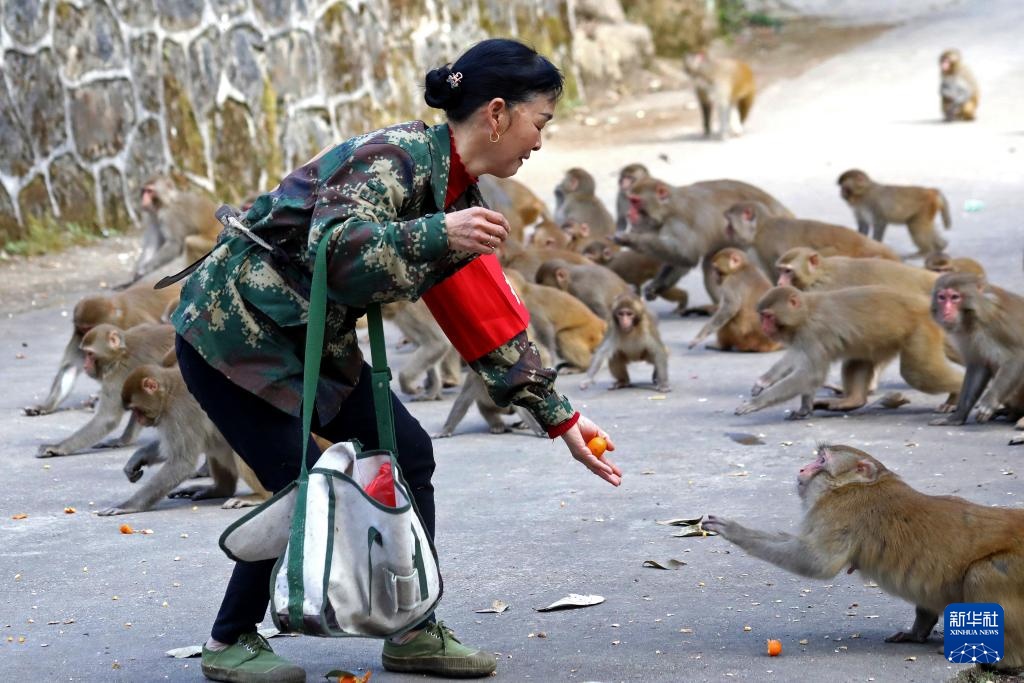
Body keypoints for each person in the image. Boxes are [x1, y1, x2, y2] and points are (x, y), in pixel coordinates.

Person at [171, 38, 622, 683]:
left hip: (311, 349)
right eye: (539, 122)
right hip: (230, 340)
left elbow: (489, 321)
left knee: (409, 454)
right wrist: (439, 235)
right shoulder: (398, 157)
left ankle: (415, 628)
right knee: (305, 484)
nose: (539, 141)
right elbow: (333, 242)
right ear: (497, 114)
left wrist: (560, 419)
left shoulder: (458, 194)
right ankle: (230, 638)